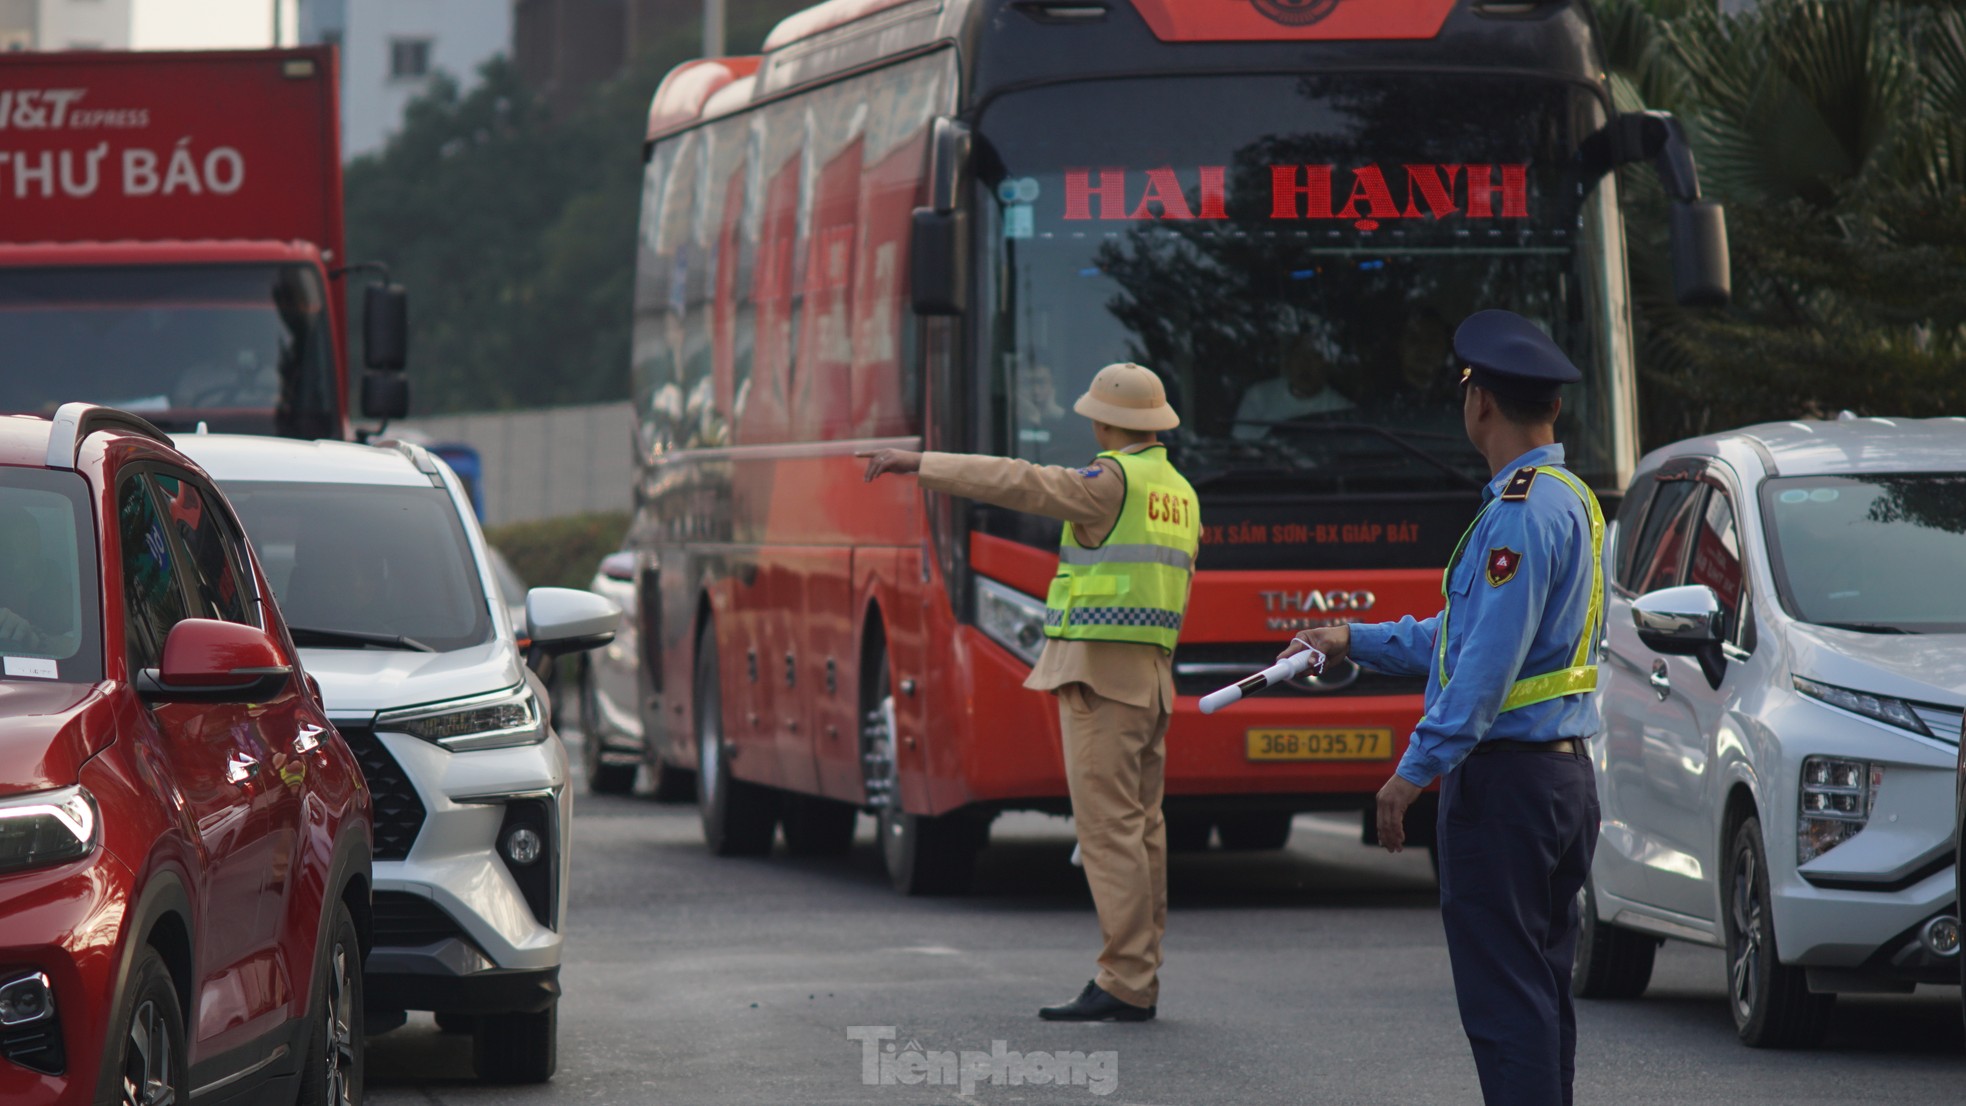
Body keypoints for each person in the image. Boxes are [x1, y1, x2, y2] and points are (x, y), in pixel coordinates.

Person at [1281, 309, 1604, 1106]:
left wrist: (1411, 771)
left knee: (1507, 1005)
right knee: (1537, 992)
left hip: (1506, 790)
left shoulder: (1520, 514)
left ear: (1480, 403)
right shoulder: (1567, 497)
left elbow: (1484, 673)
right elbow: (1460, 637)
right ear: (1553, 407)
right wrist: (1352, 636)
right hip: (1556, 784)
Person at [857, 363, 1198, 1023]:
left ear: (1104, 422)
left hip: (1101, 680)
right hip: (1153, 681)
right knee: (1143, 834)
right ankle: (1141, 974)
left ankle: (1126, 981)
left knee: (1109, 835)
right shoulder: (1178, 490)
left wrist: (918, 462)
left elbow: (1018, 480)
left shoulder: (1111, 484)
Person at [1232, 332, 1355, 440]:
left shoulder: (1343, 411)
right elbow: (1242, 445)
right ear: (1289, 361)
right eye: (1299, 356)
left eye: (1314, 357)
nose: (1305, 364)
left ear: (1327, 365)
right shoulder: (1258, 396)